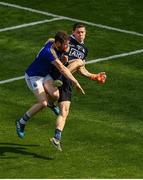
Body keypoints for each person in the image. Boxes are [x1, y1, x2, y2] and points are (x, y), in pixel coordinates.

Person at [16, 31, 85, 139]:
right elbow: (63, 69)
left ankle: (51, 104)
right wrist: (76, 82)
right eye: (65, 44)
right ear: (58, 44)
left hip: (45, 75)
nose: (68, 47)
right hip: (34, 76)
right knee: (43, 103)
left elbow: (49, 40)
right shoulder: (49, 52)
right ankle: (21, 122)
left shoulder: (52, 42)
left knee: (56, 95)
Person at [49, 23, 106, 151]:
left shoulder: (84, 50)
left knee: (65, 110)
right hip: (58, 72)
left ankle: (56, 138)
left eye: (83, 32)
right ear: (73, 32)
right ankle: (58, 81)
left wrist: (94, 76)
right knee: (78, 62)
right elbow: (52, 44)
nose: (81, 34)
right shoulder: (67, 41)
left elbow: (81, 68)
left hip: (67, 80)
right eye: (78, 32)